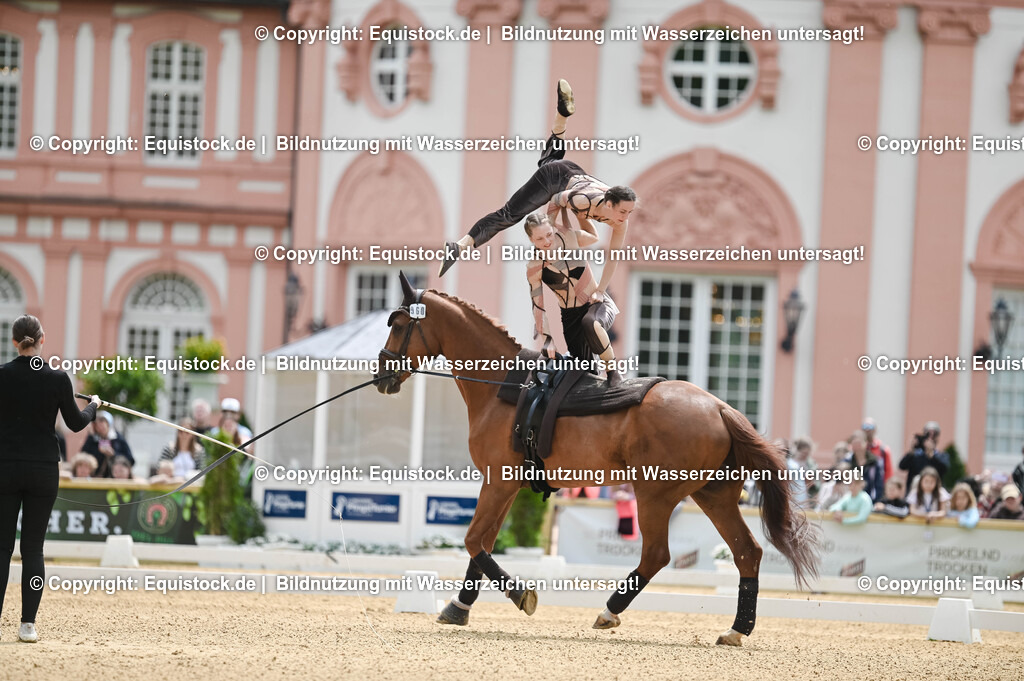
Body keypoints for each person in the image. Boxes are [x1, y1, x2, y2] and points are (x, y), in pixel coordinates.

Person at [439, 79, 636, 286]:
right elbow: (555, 201)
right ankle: (458, 247)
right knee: (508, 214)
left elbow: (613, 258)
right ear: (609, 204)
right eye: (622, 212)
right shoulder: (582, 201)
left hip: (573, 172)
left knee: (548, 160)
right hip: (556, 180)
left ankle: (562, 115)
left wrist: (600, 291)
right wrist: (549, 230)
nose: (624, 218)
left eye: (629, 213)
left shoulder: (619, 221)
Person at [0, 315, 100, 643]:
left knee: (2, 549)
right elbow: (75, 423)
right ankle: (28, 624)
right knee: (33, 549)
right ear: (42, 338)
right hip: (43, 469)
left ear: (15, 341)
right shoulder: (58, 377)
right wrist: (94, 406)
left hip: (6, 467)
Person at [524, 211, 623, 384]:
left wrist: (580, 214)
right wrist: (547, 339)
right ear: (531, 239)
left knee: (590, 323)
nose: (547, 241)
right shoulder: (534, 267)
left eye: (549, 235)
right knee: (585, 375)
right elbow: (538, 306)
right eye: (540, 239)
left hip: (596, 303)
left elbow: (593, 237)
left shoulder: (569, 237)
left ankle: (613, 372)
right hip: (570, 319)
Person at [80, 411, 134, 478]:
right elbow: (83, 455)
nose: (100, 427)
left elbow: (130, 459)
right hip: (95, 477)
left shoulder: (118, 439)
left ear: (108, 424)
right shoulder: (92, 439)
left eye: (102, 423)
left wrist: (113, 454)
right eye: (97, 425)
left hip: (115, 477)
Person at [843, 430, 884, 502]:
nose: (856, 445)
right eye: (854, 442)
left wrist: (874, 502)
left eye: (859, 442)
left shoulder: (875, 462)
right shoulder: (846, 461)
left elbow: (879, 486)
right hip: (850, 501)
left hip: (869, 500)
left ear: (866, 443)